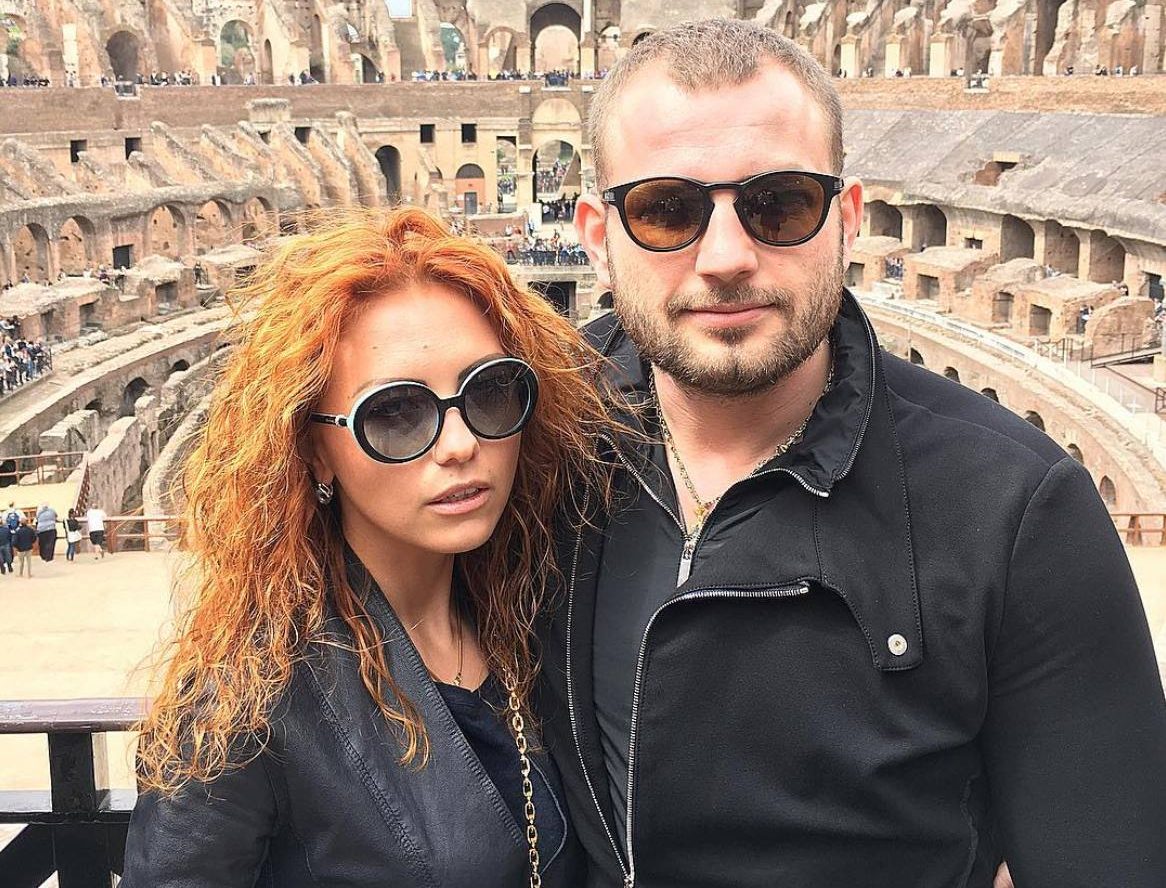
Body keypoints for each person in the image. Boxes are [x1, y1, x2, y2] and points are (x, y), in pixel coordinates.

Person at [541, 19, 1166, 888]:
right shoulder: (531, 440)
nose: (725, 258)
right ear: (597, 233)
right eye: (665, 210)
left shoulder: (1021, 511)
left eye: (780, 204)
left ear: (849, 219)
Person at [121, 207, 612, 886]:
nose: (463, 445)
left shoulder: (537, 612)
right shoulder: (245, 696)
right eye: (395, 413)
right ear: (316, 452)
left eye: (490, 392)